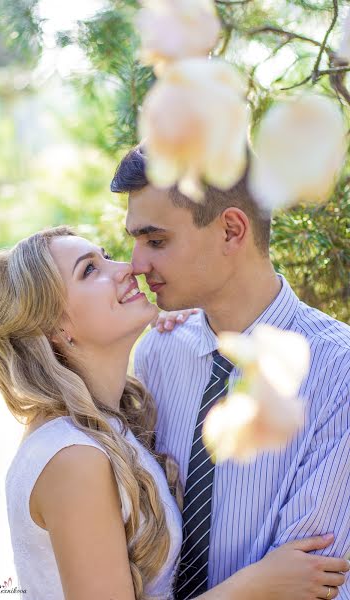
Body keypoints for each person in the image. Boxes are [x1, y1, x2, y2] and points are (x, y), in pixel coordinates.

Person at [0, 225, 347, 600]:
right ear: (57, 328)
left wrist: (190, 321)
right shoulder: (72, 458)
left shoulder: (110, 426)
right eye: (90, 270)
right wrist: (257, 586)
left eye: (106, 257)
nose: (127, 268)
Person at [111, 145, 350, 600]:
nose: (138, 265)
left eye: (156, 241)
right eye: (135, 242)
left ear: (232, 230)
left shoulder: (340, 371)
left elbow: (307, 581)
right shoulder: (158, 352)